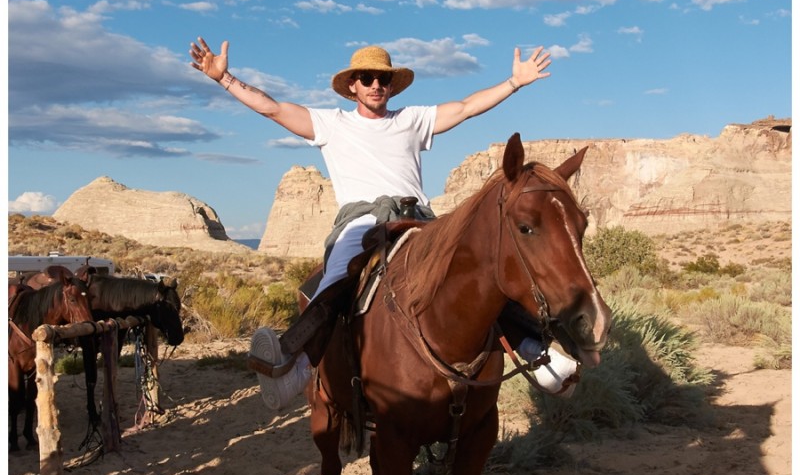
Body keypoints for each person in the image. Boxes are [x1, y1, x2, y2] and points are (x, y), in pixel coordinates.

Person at [190, 36, 579, 407]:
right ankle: (300, 365)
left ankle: (534, 350)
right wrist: (224, 78)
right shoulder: (332, 124)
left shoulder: (412, 119)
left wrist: (514, 81)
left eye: (384, 79)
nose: (376, 84)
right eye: (367, 78)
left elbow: (465, 107)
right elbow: (272, 108)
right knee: (338, 276)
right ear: (352, 87)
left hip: (416, 219)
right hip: (361, 221)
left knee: (473, 270)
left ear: (392, 86)